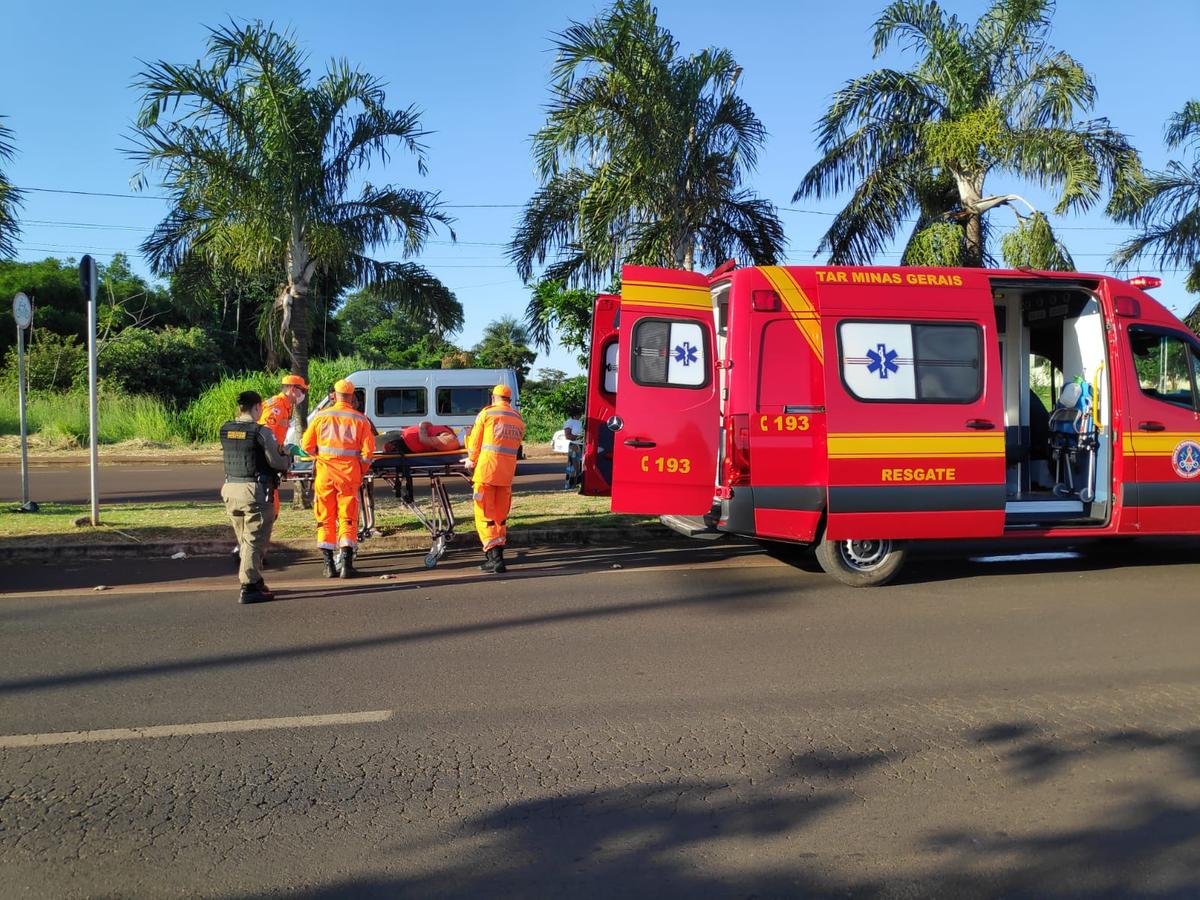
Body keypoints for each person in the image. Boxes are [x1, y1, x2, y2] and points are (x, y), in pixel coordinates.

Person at [220, 390, 292, 604]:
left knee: (244, 537)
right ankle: (249, 586)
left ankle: (255, 579)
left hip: (230, 489)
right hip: (254, 491)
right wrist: (287, 455)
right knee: (254, 540)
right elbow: (276, 462)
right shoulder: (261, 432)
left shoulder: (226, 429)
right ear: (257, 407)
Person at [301, 379, 375, 579]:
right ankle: (346, 566)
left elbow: (306, 446)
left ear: (333, 395)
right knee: (348, 517)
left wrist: (321, 458)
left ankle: (328, 566)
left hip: (325, 474)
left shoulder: (320, 417)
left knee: (325, 517)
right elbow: (368, 453)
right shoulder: (361, 420)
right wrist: (360, 469)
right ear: (352, 397)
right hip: (349, 475)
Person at [465, 384, 526, 574]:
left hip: (487, 472)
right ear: (508, 400)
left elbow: (475, 441)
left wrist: (470, 460)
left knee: (485, 516)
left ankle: (494, 558)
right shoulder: (518, 419)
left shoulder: (487, 414)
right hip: (506, 475)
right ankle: (498, 557)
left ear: (493, 398)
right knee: (500, 517)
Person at [562, 406, 584, 490]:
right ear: (575, 415)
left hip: (582, 445)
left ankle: (578, 484)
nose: (580, 416)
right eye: (579, 414)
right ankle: (570, 485)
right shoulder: (569, 422)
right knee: (573, 466)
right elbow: (568, 436)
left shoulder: (580, 422)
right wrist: (579, 437)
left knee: (581, 466)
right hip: (574, 446)